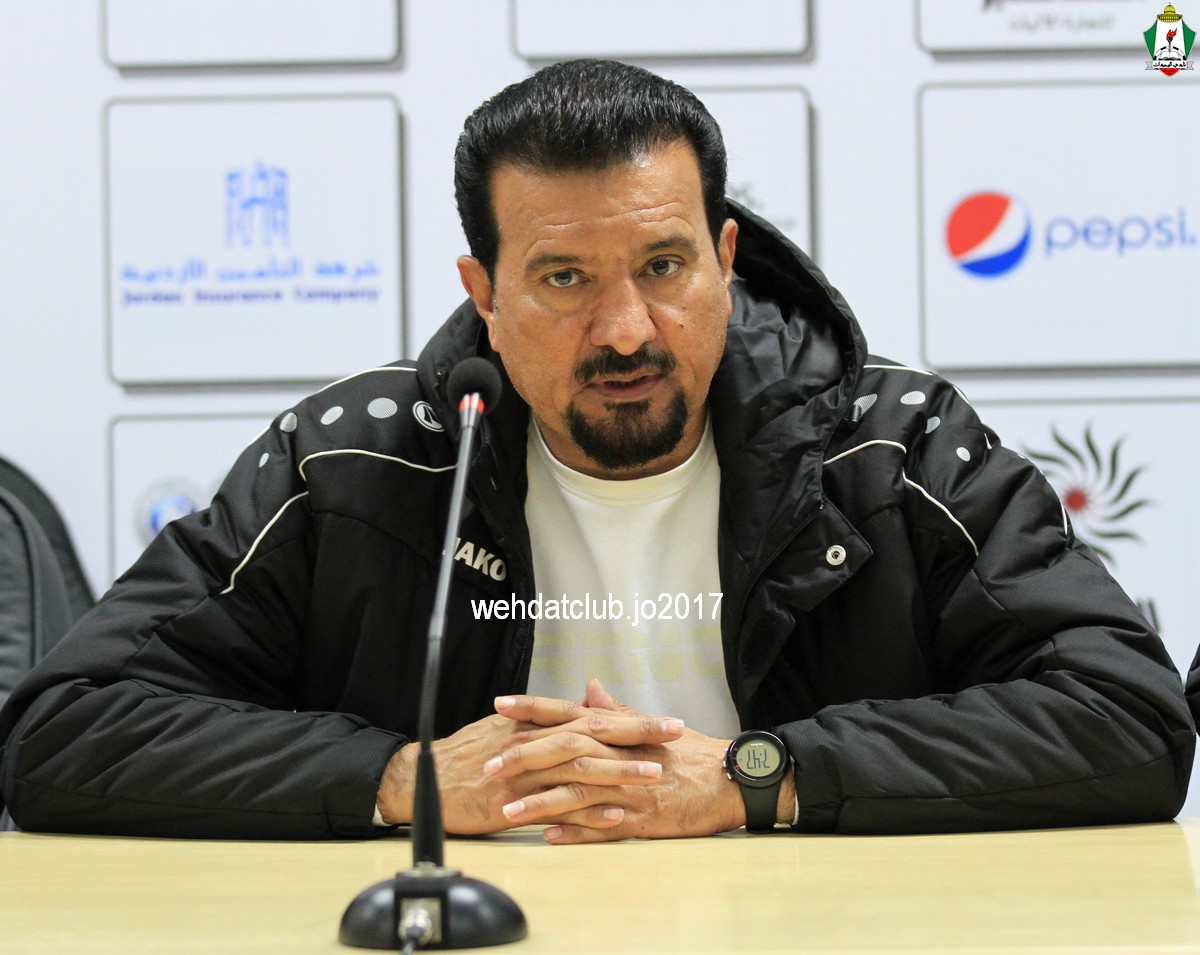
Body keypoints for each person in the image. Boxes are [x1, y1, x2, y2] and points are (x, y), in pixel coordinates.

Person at [0, 60, 1193, 841]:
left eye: (664, 267)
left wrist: (761, 776)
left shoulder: (892, 449)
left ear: (726, 260)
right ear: (485, 291)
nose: (625, 329)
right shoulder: (362, 464)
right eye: (564, 278)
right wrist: (409, 779)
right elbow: (66, 728)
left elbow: (1130, 716)